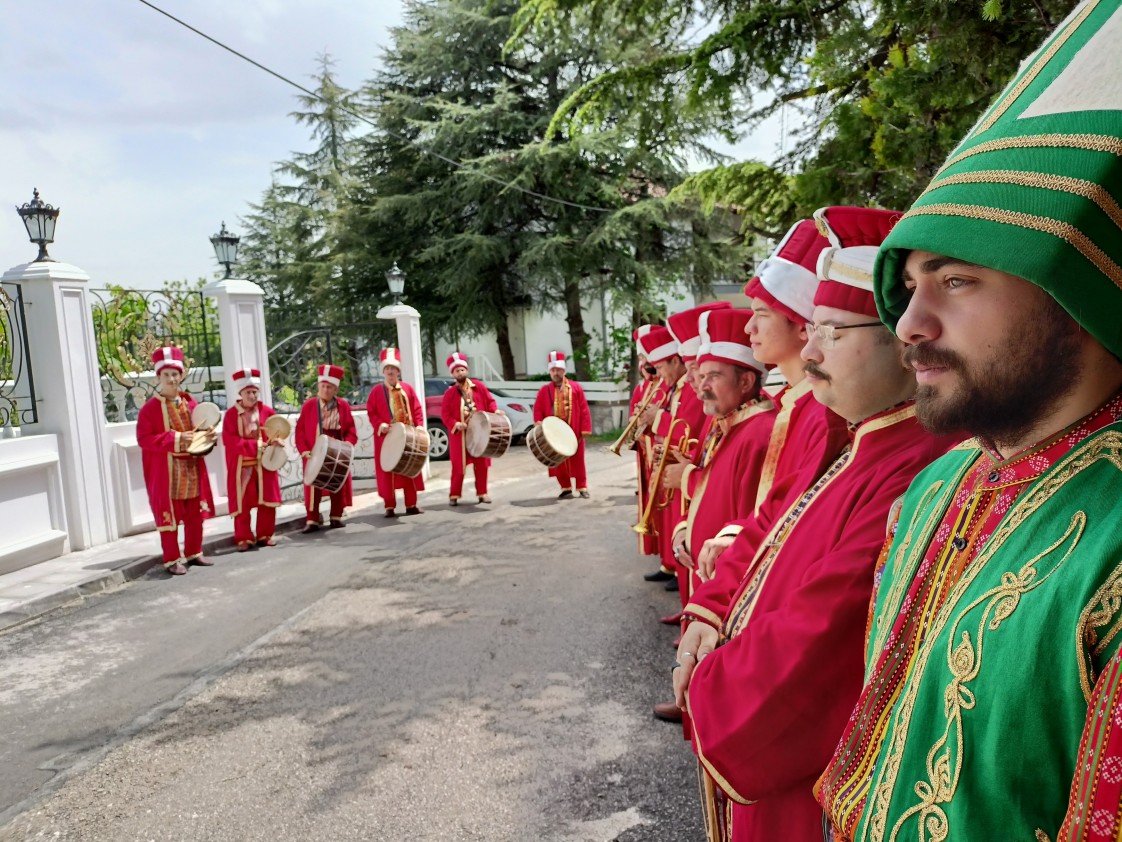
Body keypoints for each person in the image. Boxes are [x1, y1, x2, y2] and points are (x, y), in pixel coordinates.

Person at [816, 6, 1122, 839]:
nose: (908, 323)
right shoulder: (939, 483)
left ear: (1071, 284)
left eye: (954, 281)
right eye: (910, 284)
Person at [677, 210, 960, 842]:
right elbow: (776, 521)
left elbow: (826, 627)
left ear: (901, 344)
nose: (808, 352)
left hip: (801, 769)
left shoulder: (919, 464)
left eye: (829, 333)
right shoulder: (861, 438)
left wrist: (712, 689)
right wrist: (711, 610)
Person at [653, 306, 775, 724]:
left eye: (713, 377)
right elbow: (711, 480)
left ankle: (700, 708)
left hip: (727, 577)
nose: (701, 387)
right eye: (699, 376)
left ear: (746, 381)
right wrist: (687, 523)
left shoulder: (759, 431)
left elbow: (757, 511)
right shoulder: (729, 420)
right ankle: (692, 701)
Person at [135, 346, 216, 576]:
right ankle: (171, 559)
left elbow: (200, 431)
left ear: (181, 376)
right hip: (167, 471)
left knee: (194, 513)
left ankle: (194, 552)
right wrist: (177, 438)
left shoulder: (191, 404)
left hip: (191, 466)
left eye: (175, 374)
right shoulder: (149, 410)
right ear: (158, 377)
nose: (171, 379)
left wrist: (207, 437)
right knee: (168, 516)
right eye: (166, 375)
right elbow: (144, 439)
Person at [221, 367, 283, 551]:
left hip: (264, 465)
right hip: (242, 466)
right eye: (248, 392)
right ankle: (243, 538)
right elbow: (229, 441)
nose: (252, 395)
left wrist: (277, 441)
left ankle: (265, 534)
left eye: (255, 392)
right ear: (240, 393)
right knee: (242, 504)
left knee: (266, 501)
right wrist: (255, 446)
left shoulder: (267, 412)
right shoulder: (231, 415)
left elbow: (276, 431)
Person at [295, 364, 358, 532]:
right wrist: (304, 450)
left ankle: (336, 516)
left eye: (329, 387)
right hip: (314, 449)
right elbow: (300, 430)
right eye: (322, 386)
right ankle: (312, 520)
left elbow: (351, 430)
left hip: (336, 447)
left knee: (336, 481)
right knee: (313, 486)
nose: (325, 390)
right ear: (318, 387)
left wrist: (348, 445)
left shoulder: (342, 406)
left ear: (335, 389)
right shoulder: (309, 406)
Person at [366, 347, 426, 518]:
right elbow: (372, 412)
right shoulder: (377, 391)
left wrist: (420, 426)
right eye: (387, 369)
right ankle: (389, 506)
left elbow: (417, 409)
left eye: (393, 369)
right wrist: (380, 424)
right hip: (387, 438)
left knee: (409, 468)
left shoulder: (407, 389)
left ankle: (411, 504)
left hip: (407, 436)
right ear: (384, 372)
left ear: (398, 372)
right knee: (388, 472)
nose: (390, 372)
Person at [440, 352, 501, 505]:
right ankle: (454, 495)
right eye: (456, 371)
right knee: (458, 467)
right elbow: (445, 414)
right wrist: (455, 424)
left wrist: (496, 411)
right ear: (453, 374)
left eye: (462, 369)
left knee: (482, 465)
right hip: (460, 436)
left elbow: (490, 401)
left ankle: (482, 493)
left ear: (466, 371)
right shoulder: (449, 393)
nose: (460, 372)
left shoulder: (479, 387)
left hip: (479, 434)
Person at [532, 350, 592, 499]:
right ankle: (565, 487)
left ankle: (582, 486)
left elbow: (584, 409)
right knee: (558, 461)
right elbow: (538, 408)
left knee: (578, 460)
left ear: (563, 370)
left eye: (558, 370)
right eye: (553, 370)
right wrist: (538, 421)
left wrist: (585, 428)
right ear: (550, 372)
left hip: (574, 431)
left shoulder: (576, 388)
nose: (555, 373)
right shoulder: (544, 390)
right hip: (554, 434)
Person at [629, 327, 666, 558]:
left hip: (658, 450)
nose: (643, 364)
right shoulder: (643, 387)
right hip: (645, 450)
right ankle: (663, 556)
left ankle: (669, 560)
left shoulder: (661, 386)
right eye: (641, 359)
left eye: (646, 358)